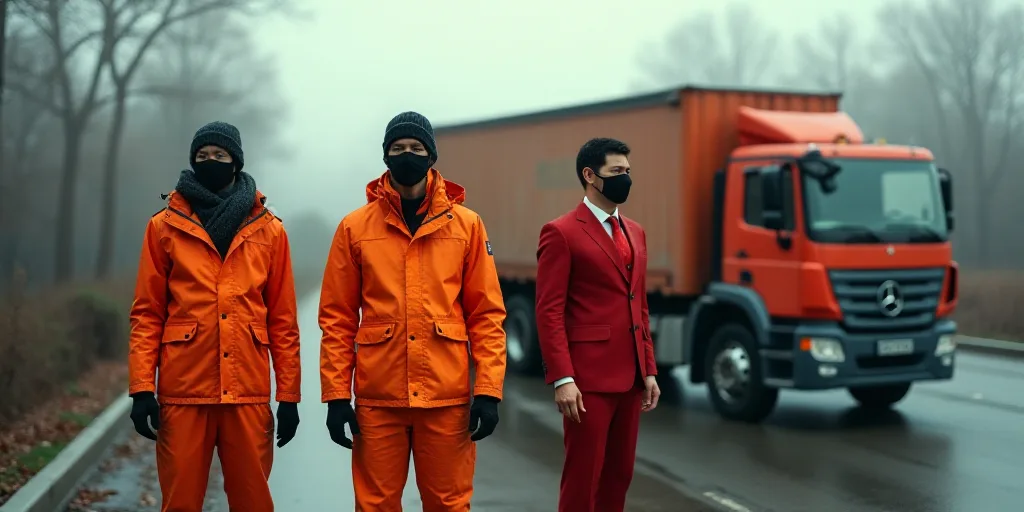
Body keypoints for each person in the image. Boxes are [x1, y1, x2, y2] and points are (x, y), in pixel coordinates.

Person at [319, 111, 507, 511]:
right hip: (378, 401)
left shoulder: (467, 226)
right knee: (375, 505)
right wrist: (336, 397)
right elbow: (336, 319)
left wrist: (488, 391)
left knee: (449, 504)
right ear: (385, 157)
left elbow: (487, 315)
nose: (407, 155)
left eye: (417, 148)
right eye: (398, 148)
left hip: (446, 399)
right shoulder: (354, 228)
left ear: (431, 156)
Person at [127, 121, 301, 512]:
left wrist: (289, 397)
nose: (210, 162)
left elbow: (283, 322)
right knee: (180, 503)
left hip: (247, 392)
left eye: (219, 156)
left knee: (253, 503)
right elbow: (147, 313)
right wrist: (141, 388)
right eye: (202, 156)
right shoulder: (163, 226)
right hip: (184, 391)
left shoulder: (270, 230)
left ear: (236, 162)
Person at [535, 137, 661, 512]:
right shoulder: (561, 232)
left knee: (618, 476)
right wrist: (563, 378)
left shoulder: (635, 232)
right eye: (616, 172)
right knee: (583, 478)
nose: (625, 178)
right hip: (587, 380)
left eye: (628, 171)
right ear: (590, 176)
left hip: (631, 377)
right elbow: (549, 311)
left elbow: (639, 306)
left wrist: (649, 370)